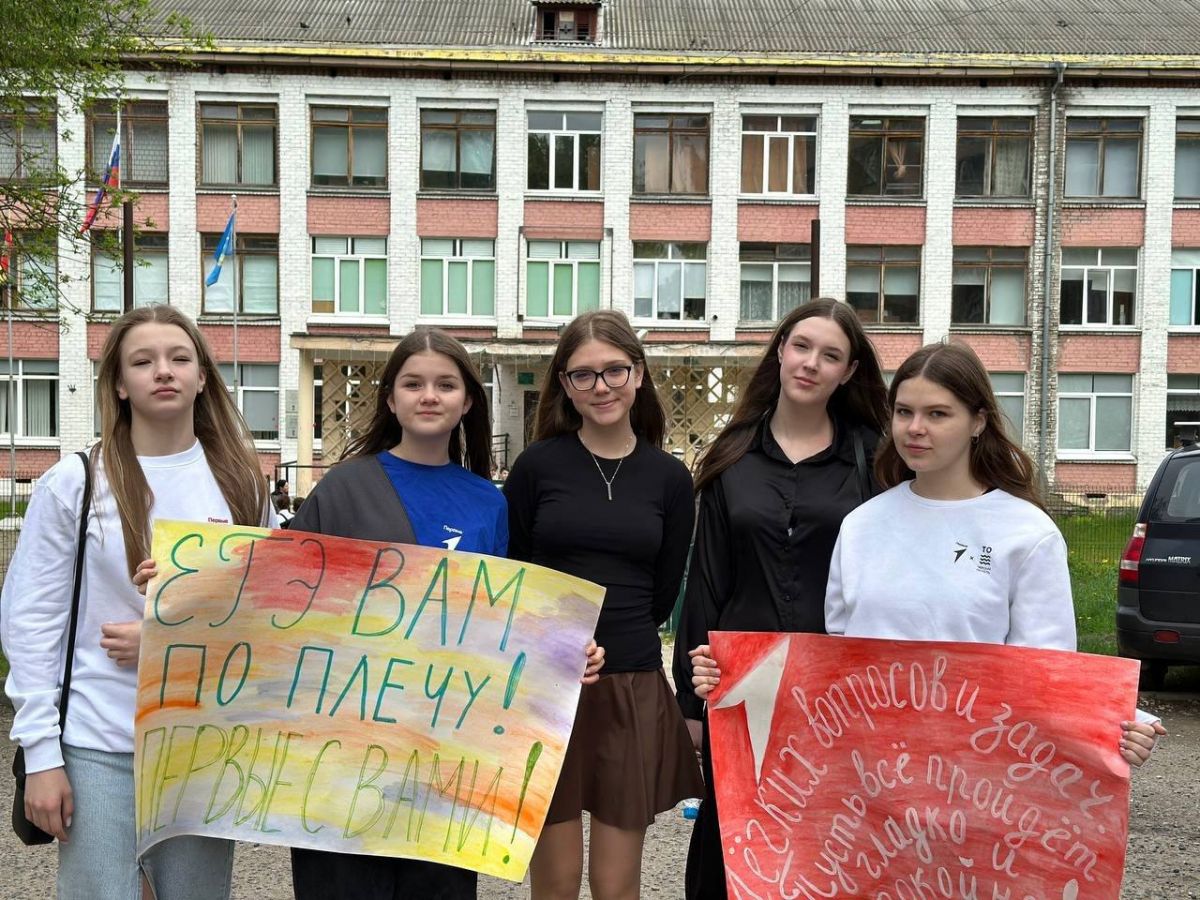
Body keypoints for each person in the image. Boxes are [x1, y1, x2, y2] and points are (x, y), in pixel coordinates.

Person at [284, 327, 604, 900]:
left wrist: (562, 651)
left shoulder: (488, 503)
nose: (429, 396)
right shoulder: (343, 488)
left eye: (445, 385)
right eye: (413, 384)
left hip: (446, 759)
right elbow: (275, 597)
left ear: (468, 402)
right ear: (390, 399)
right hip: (343, 754)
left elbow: (503, 623)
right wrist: (181, 587)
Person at [1, 305, 276, 900]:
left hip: (204, 743)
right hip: (99, 742)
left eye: (180, 358)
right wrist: (41, 754)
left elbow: (273, 614)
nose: (164, 371)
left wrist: (168, 634)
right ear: (120, 384)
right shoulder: (76, 481)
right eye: (143, 361)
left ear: (202, 377)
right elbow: (31, 623)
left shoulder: (241, 484)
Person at [822, 341, 1165, 762]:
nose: (915, 428)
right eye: (904, 411)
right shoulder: (860, 526)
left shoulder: (1027, 533)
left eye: (937, 414)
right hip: (870, 766)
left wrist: (1115, 724)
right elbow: (835, 659)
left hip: (979, 773)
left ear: (978, 422)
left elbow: (1045, 670)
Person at [672, 297, 890, 900]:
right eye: (801, 346)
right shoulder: (734, 455)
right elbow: (706, 582)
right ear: (780, 352)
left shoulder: (874, 460)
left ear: (848, 372)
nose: (811, 363)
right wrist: (691, 702)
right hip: (742, 689)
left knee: (823, 844)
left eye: (831, 355)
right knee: (730, 845)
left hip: (836, 693)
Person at [503, 310, 704, 900]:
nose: (601, 386)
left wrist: (613, 639)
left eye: (614, 370)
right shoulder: (537, 466)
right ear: (565, 385)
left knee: (617, 886)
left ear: (638, 374)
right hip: (546, 685)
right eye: (583, 375)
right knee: (556, 882)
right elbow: (515, 575)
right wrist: (557, 643)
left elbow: (663, 591)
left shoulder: (670, 478)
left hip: (630, 685)